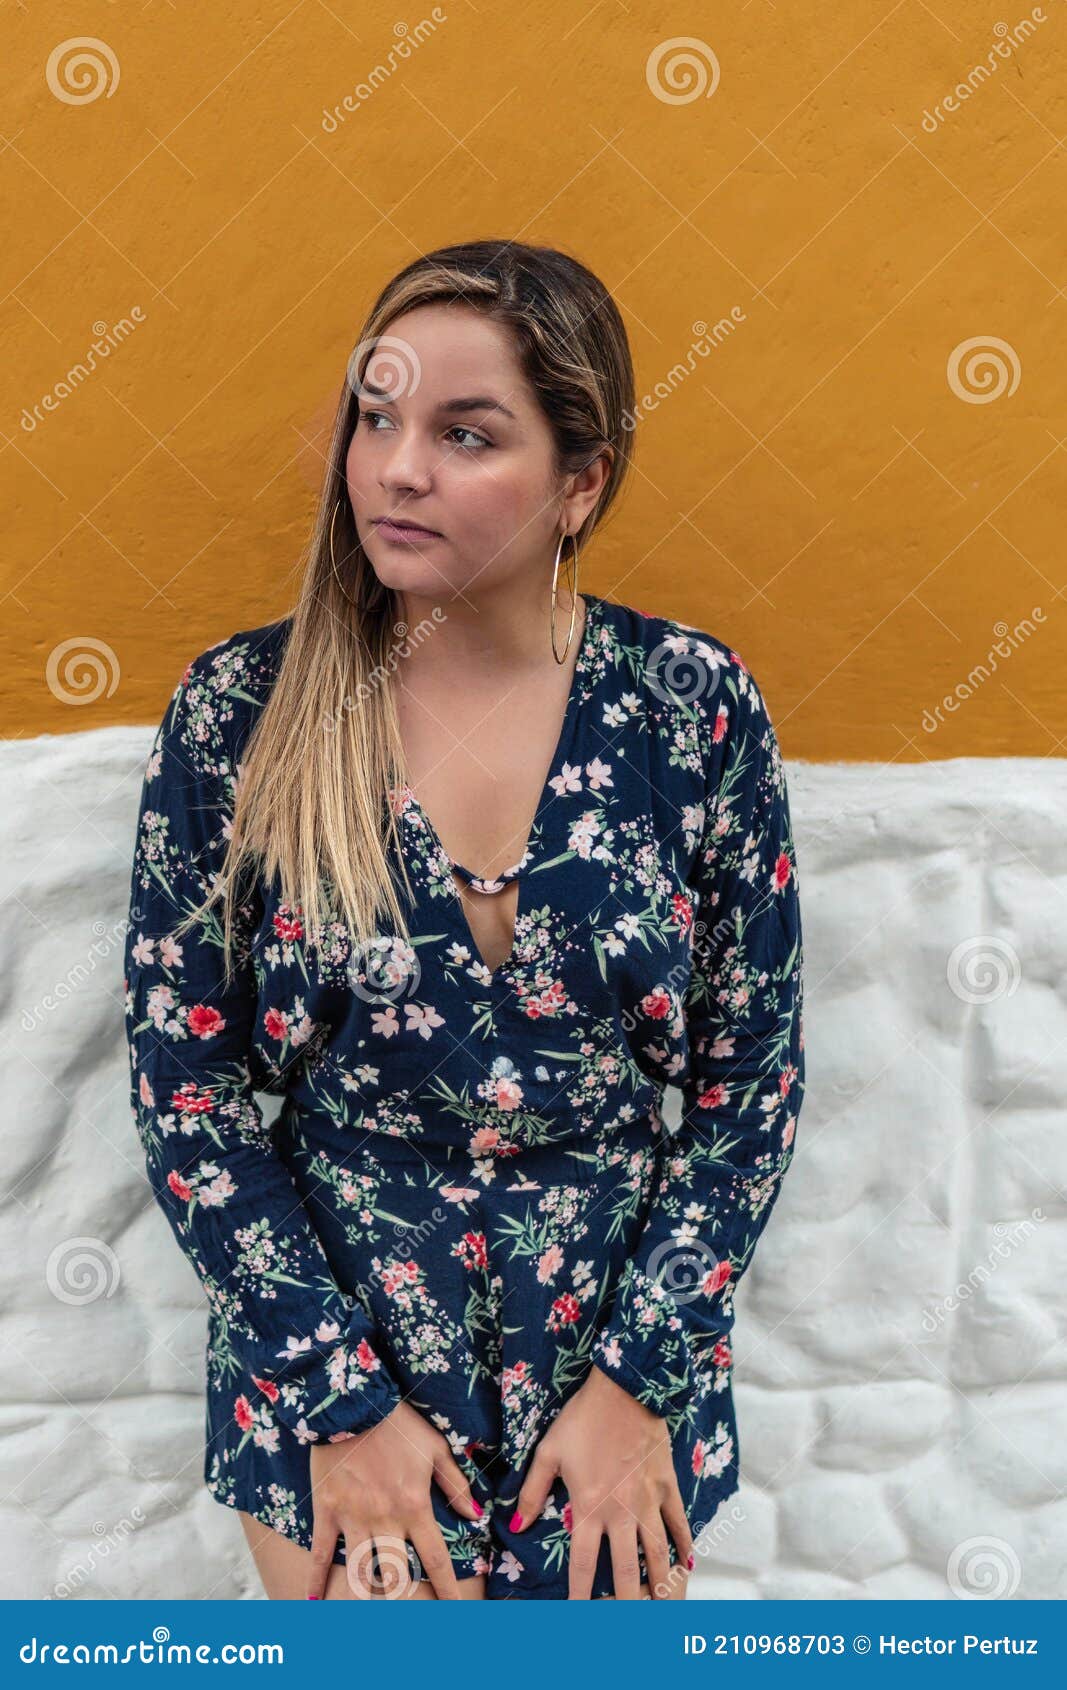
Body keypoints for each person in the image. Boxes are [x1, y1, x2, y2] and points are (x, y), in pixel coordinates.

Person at [121, 239, 805, 1601]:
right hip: (340, 1406)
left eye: (464, 433)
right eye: (377, 417)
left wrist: (640, 1381)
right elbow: (184, 1085)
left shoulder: (693, 707)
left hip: (608, 1417)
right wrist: (338, 1402)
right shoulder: (241, 714)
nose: (397, 467)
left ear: (580, 482)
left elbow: (751, 1088)